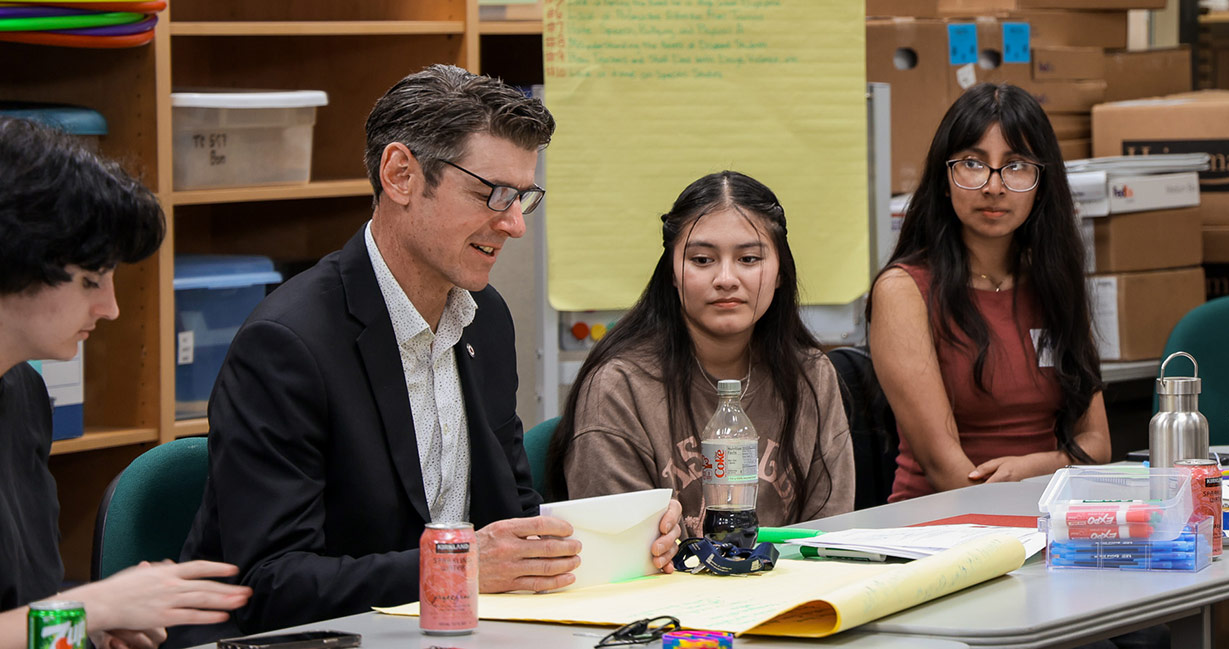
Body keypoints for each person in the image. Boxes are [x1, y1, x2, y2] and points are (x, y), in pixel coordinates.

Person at [177, 64, 681, 643]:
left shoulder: (484, 320)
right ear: (401, 176)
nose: (514, 224)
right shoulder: (287, 345)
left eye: (522, 197)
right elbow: (270, 583)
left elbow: (511, 515)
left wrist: (620, 538)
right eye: (491, 193)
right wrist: (461, 566)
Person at [0, 117, 251, 649]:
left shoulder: (22, 394)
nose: (110, 308)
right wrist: (92, 606)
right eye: (91, 280)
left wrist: (84, 627)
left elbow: (27, 624)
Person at [546, 171, 856, 538]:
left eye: (749, 258)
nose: (726, 278)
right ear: (673, 274)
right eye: (703, 260)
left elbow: (830, 539)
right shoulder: (618, 386)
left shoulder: (811, 376)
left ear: (779, 274)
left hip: (794, 592)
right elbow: (623, 554)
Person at [867, 83, 1110, 503]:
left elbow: (1098, 444)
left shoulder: (1054, 282)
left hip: (1048, 517)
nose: (994, 186)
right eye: (973, 163)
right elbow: (947, 470)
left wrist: (1029, 468)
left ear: (1041, 182)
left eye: (1016, 165)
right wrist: (1051, 472)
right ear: (945, 179)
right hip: (939, 527)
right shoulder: (903, 291)